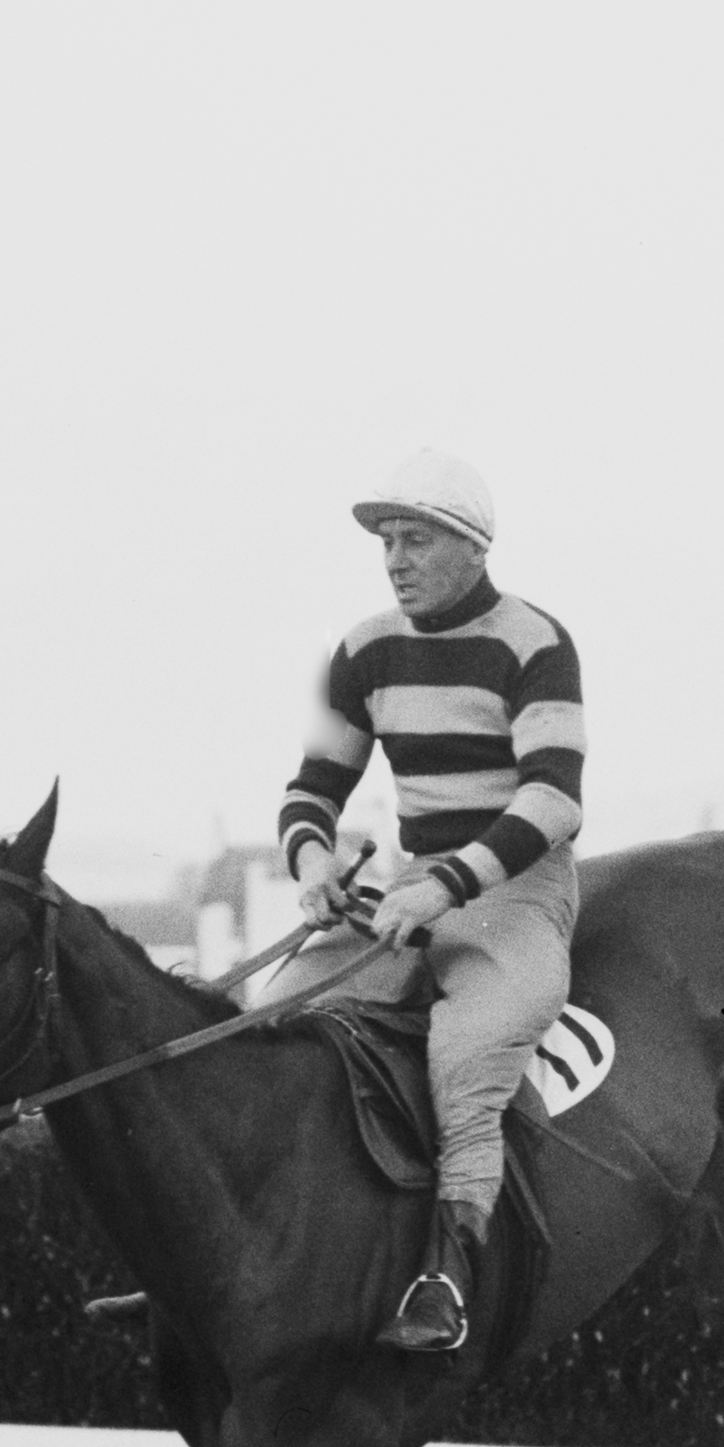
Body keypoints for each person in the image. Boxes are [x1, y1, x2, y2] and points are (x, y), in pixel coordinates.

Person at [275, 446, 588, 1353]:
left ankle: (446, 1283)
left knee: (466, 1056)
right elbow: (313, 785)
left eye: (415, 540)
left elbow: (554, 799)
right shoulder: (366, 648)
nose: (395, 560)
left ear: (471, 547)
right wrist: (310, 867)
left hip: (518, 895)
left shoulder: (535, 642)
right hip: (412, 892)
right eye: (387, 543)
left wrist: (449, 883)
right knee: (280, 1025)